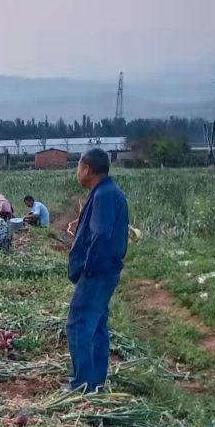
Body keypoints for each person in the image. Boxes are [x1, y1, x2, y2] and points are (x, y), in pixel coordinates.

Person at [67, 148, 129, 391]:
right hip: (104, 270)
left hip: (97, 273)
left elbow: (101, 235)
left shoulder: (104, 195)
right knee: (96, 324)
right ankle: (94, 382)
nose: (77, 172)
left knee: (79, 324)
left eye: (78, 167)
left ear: (87, 169)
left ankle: (83, 385)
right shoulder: (106, 192)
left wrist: (88, 268)